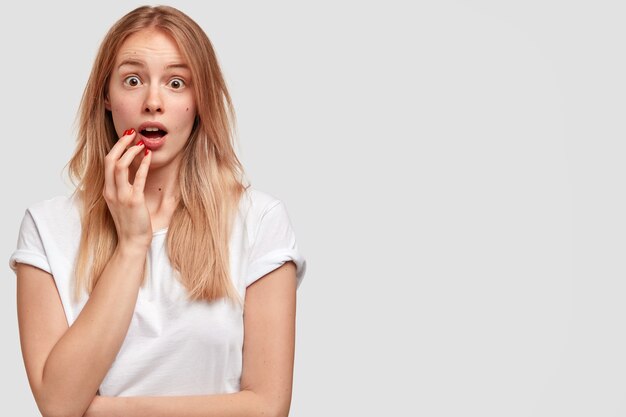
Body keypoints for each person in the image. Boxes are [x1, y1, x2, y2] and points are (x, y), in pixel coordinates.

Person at [8, 5, 306, 417]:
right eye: (132, 80)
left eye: (177, 82)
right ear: (106, 98)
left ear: (200, 101)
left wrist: (99, 411)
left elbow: (268, 407)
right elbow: (58, 407)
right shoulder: (46, 228)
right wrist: (132, 243)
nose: (153, 101)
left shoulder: (259, 220)